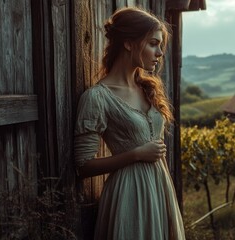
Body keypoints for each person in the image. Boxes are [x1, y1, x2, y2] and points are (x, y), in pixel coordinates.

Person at [74, 6, 185, 240]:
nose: (159, 52)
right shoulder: (97, 97)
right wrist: (136, 154)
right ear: (128, 43)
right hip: (128, 194)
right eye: (153, 43)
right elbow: (83, 166)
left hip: (160, 187)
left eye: (160, 45)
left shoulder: (149, 89)